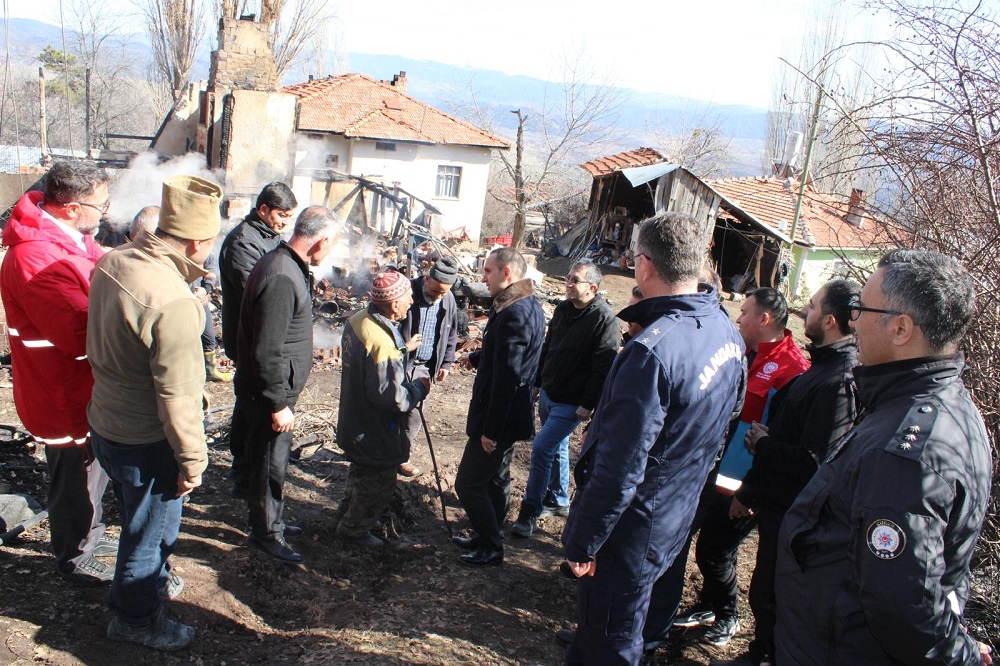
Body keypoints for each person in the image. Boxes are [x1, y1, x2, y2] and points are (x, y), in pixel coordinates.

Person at [775, 250, 993, 666]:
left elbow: (905, 610)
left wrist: (962, 656)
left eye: (861, 309)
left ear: (900, 328)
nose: (852, 320)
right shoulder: (932, 401)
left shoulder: (908, 454)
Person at [561, 211, 745, 665]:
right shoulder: (724, 328)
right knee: (618, 622)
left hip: (632, 528)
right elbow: (728, 414)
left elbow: (618, 467)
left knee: (612, 639)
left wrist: (583, 541)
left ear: (644, 265)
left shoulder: (651, 352)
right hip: (676, 509)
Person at [88, 174, 223, 650]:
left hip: (106, 421)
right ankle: (135, 620)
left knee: (134, 521)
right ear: (196, 242)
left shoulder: (113, 261)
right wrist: (193, 462)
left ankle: (139, 596)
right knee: (149, 536)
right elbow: (179, 396)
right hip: (148, 440)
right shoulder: (174, 300)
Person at [711, 279, 861, 666]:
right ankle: (761, 651)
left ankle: (766, 654)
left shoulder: (837, 381)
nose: (803, 312)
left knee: (772, 593)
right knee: (765, 588)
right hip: (775, 499)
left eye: (810, 306)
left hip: (791, 508)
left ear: (829, 320)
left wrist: (763, 449)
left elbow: (814, 461)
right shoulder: (823, 368)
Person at [668, 287, 809, 648]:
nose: (738, 317)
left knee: (715, 550)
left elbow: (776, 442)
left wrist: (750, 493)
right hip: (712, 470)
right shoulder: (742, 350)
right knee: (696, 541)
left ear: (764, 320)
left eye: (744, 312)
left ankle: (728, 614)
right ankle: (708, 605)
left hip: (742, 484)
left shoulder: (792, 370)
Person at [0, 161, 115, 585]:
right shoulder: (35, 258)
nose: (106, 212)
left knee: (93, 473)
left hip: (83, 387)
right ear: (71, 208)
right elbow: (78, 332)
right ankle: (73, 555)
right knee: (74, 478)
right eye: (101, 205)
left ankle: (92, 534)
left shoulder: (72, 242)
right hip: (60, 391)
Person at [236, 206, 340, 564]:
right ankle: (267, 533)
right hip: (268, 396)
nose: (332, 250)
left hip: (270, 392)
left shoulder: (286, 265)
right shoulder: (281, 275)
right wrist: (278, 402)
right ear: (321, 241)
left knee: (268, 462)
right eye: (333, 244)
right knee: (269, 465)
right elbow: (267, 348)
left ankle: (268, 519)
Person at [510, 259, 619, 538]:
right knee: (556, 446)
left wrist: (588, 403)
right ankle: (558, 500)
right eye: (568, 278)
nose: (569, 284)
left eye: (575, 280)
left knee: (542, 447)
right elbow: (548, 347)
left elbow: (603, 366)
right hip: (549, 392)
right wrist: (537, 382)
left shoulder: (604, 320)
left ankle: (529, 511)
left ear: (592, 288)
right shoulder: (563, 309)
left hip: (572, 403)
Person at [452, 247, 545, 567]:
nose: (483, 277)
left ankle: (492, 546)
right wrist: (475, 357)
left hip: (500, 417)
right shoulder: (525, 303)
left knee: (467, 483)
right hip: (508, 414)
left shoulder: (514, 313)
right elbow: (504, 356)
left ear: (507, 273)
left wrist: (490, 430)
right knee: (495, 480)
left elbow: (509, 377)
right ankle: (484, 534)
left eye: (488, 271)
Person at [336, 271, 432, 548]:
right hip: (373, 428)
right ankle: (354, 531)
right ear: (393, 305)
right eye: (408, 297)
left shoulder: (357, 320)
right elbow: (392, 399)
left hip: (354, 421)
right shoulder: (381, 342)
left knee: (359, 472)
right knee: (378, 481)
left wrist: (400, 353)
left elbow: (369, 368)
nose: (412, 300)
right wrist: (419, 388)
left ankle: (346, 516)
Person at [218, 182, 297, 498]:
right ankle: (245, 475)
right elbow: (259, 293)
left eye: (290, 217)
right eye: (282, 215)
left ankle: (247, 471)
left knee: (253, 407)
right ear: (263, 209)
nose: (285, 223)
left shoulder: (269, 237)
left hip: (261, 338)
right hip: (250, 340)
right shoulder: (243, 243)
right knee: (252, 408)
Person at [130, 206, 230, 382]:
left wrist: (206, 288)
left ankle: (209, 369)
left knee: (208, 336)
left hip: (198, 299)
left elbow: (211, 267)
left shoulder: (197, 250)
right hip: (180, 302)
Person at [398, 256, 461, 477]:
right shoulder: (408, 290)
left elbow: (451, 332)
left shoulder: (448, 299)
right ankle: (383, 454)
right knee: (390, 407)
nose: (438, 297)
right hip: (399, 362)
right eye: (435, 291)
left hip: (425, 367)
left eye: (443, 293)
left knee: (414, 414)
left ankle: (403, 457)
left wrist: (446, 362)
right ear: (426, 279)